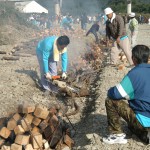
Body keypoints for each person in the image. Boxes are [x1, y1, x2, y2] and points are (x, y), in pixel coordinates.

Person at [103, 45, 150, 144]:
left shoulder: (134, 74)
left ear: (134, 59)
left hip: (144, 124)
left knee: (110, 100)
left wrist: (111, 91)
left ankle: (116, 135)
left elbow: (115, 94)